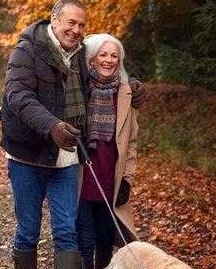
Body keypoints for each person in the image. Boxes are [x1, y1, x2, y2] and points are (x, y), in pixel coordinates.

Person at [0, 0, 145, 269]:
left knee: (67, 232)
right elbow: (18, 95)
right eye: (71, 22)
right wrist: (51, 126)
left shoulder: (79, 54)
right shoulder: (26, 50)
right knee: (29, 232)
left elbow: (104, 73)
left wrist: (131, 83)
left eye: (81, 25)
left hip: (66, 158)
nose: (76, 30)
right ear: (54, 20)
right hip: (27, 155)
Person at [76, 33, 140, 269]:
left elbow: (131, 143)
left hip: (110, 180)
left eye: (114, 56)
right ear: (92, 58)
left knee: (105, 237)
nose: (109, 60)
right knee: (85, 237)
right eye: (103, 54)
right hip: (82, 176)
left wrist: (127, 180)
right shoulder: (79, 90)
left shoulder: (125, 93)